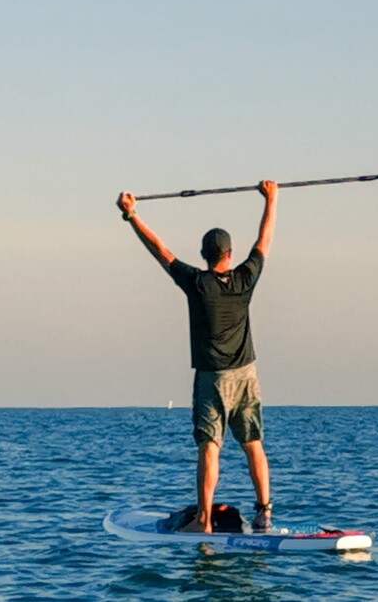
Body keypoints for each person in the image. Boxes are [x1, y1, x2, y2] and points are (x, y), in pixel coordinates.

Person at [116, 180, 279, 533]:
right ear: (229, 254)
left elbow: (160, 250)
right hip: (247, 375)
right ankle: (264, 513)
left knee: (210, 447)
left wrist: (132, 216)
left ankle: (204, 521)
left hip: (212, 378)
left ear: (205, 255)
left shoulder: (196, 283)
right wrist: (272, 199)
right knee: (253, 444)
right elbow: (264, 240)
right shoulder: (244, 279)